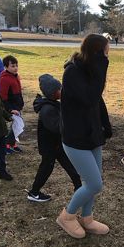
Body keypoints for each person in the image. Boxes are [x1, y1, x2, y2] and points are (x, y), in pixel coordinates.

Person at [56, 34, 112, 239]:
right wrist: (101, 67)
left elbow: (98, 101)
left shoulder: (90, 70)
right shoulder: (73, 72)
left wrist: (105, 125)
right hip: (75, 138)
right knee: (95, 184)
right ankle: (67, 216)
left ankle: (86, 218)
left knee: (92, 182)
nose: (108, 57)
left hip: (92, 135)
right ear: (96, 52)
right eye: (105, 52)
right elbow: (89, 98)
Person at [27, 74, 82, 202]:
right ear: (53, 93)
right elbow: (58, 127)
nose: (62, 90)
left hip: (57, 144)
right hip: (49, 146)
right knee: (46, 168)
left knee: (69, 165)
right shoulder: (47, 109)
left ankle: (78, 187)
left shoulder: (53, 104)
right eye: (60, 89)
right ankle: (34, 192)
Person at [0, 55, 24, 154]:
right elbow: (3, 97)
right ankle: (6, 144)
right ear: (6, 67)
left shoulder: (16, 76)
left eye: (16, 65)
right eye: (12, 66)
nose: (15, 68)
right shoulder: (5, 79)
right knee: (17, 126)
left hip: (17, 106)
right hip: (11, 107)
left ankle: (12, 144)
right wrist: (10, 109)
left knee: (16, 126)